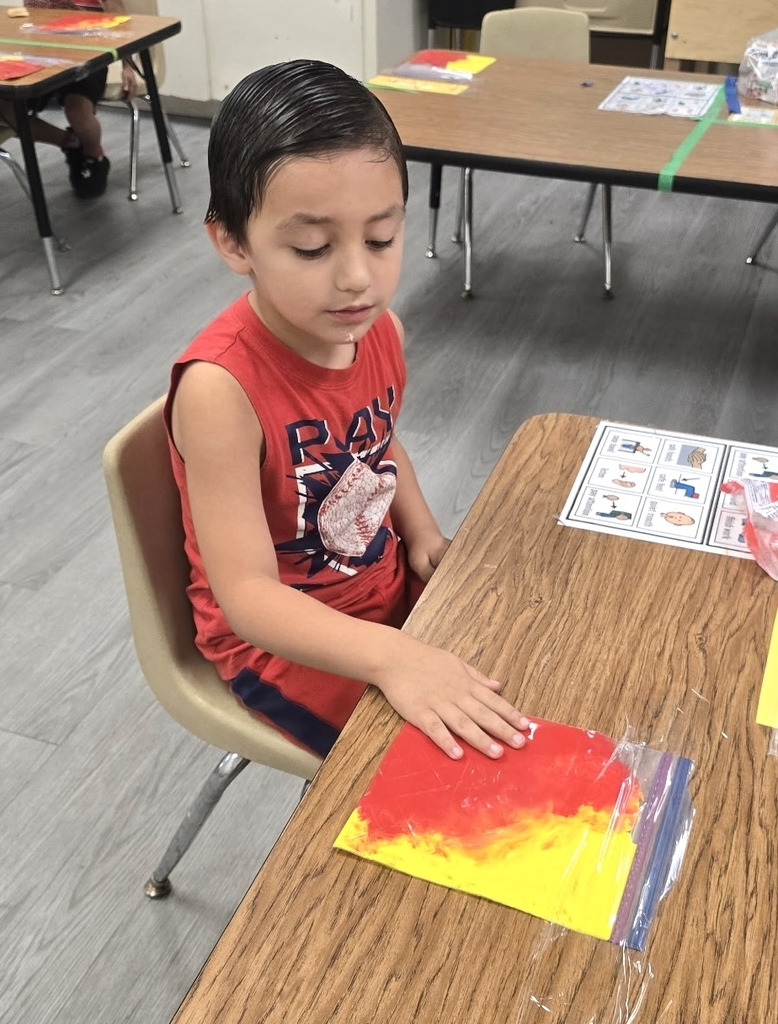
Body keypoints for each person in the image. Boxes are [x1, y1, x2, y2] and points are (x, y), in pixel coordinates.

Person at [165, 59, 530, 762]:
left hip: (382, 598)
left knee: (531, 672)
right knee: (446, 773)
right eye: (312, 247)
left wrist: (421, 531)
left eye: (382, 238)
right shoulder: (220, 390)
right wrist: (392, 657)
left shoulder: (378, 331)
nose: (358, 277)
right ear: (233, 242)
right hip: (278, 645)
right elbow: (246, 597)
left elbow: (379, 448)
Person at [0, 0, 136, 198]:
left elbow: (121, 19)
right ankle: (71, 143)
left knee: (77, 111)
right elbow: (29, 16)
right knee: (8, 109)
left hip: (89, 52)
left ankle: (93, 154)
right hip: (40, 52)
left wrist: (127, 65)